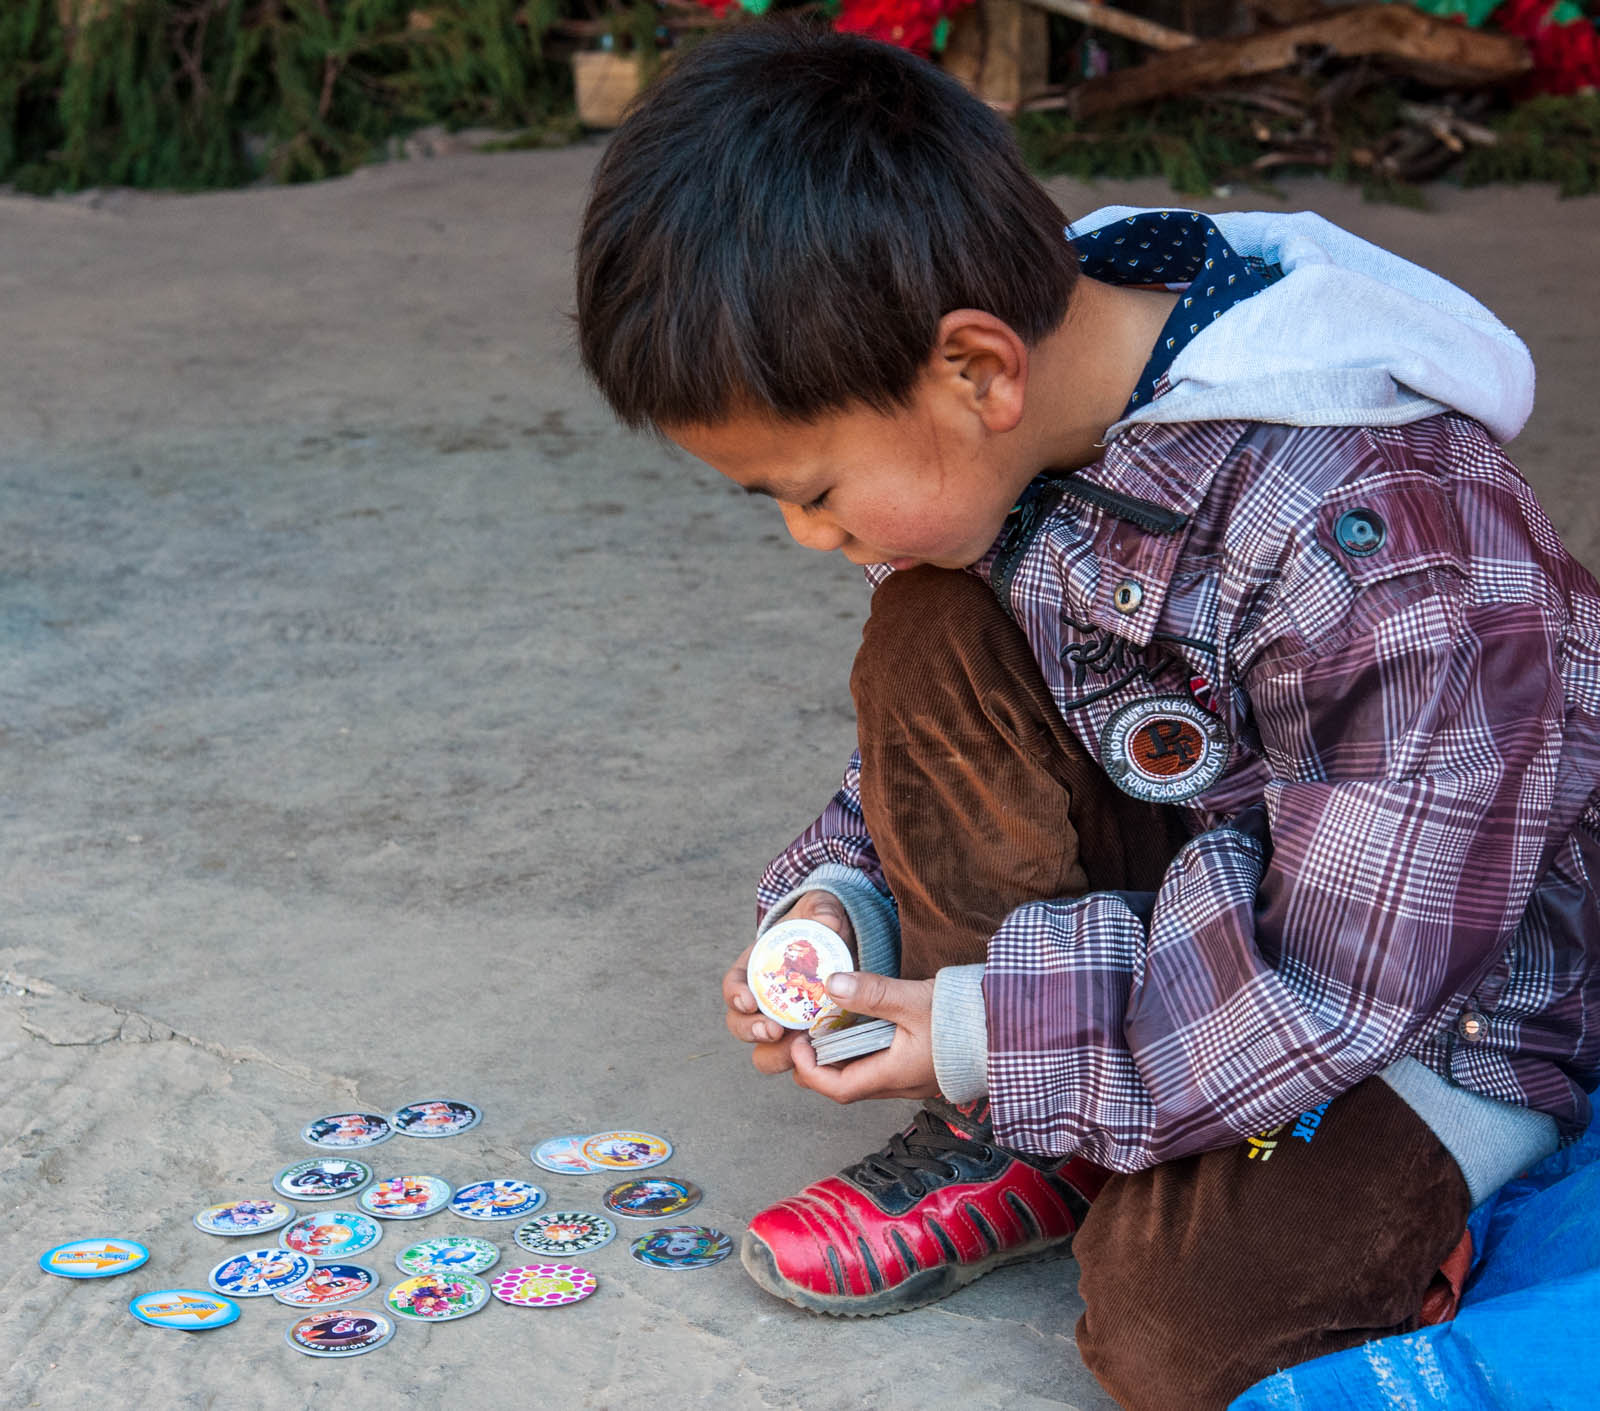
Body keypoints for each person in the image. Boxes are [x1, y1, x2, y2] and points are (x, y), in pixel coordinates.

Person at [573, 19, 1600, 1408]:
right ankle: (1037, 1125)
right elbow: (990, 747)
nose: (806, 537)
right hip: (1203, 917)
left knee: (1179, 1328)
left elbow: (1345, 977)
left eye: (810, 489)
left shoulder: (1391, 546)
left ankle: (1411, 1195)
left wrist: (995, 1026)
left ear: (978, 370)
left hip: (1446, 1002)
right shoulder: (1034, 435)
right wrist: (845, 908)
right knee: (931, 617)